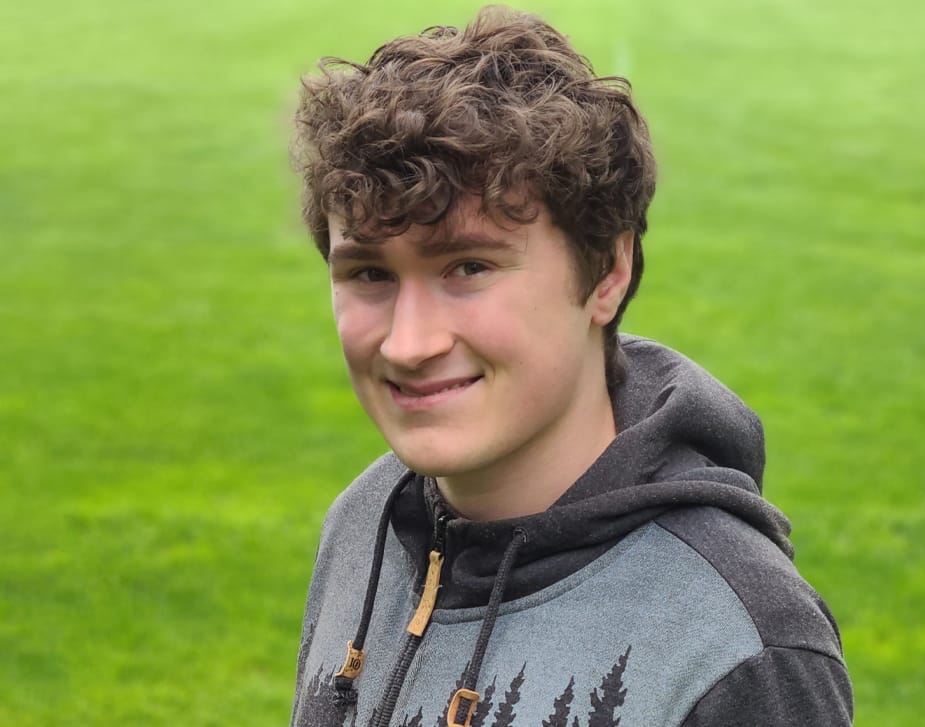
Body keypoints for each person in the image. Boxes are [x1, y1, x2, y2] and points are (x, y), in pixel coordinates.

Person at [289, 7, 853, 726]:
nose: (408, 342)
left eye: (468, 265)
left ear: (609, 272)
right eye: (370, 274)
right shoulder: (364, 520)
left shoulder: (741, 640)